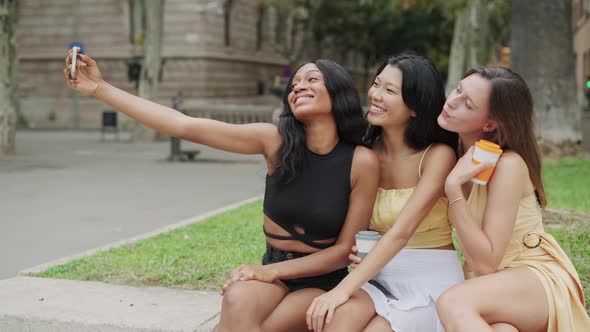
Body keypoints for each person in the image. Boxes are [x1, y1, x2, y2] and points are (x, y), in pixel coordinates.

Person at [63, 52, 380, 331]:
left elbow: (342, 253)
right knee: (238, 299)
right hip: (272, 268)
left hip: (320, 280)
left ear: (338, 91)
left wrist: (268, 273)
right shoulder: (275, 141)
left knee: (259, 326)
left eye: (312, 79)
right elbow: (184, 125)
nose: (298, 86)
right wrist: (100, 88)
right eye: (294, 83)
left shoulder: (361, 162)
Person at [306, 53, 463, 332]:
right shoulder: (365, 154)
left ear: (415, 108)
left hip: (427, 278)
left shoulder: (438, 155)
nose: (376, 95)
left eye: (390, 91)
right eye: (376, 84)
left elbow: (401, 233)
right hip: (376, 275)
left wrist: (342, 290)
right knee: (334, 321)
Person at [435, 66, 590, 332]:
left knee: (453, 302)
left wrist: (453, 188)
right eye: (458, 89)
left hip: (532, 273)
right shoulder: (451, 154)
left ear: (489, 124)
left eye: (467, 103)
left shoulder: (509, 165)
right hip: (495, 283)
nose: (452, 101)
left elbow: (486, 263)